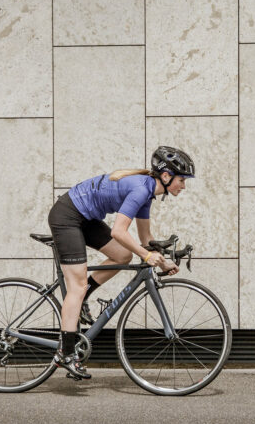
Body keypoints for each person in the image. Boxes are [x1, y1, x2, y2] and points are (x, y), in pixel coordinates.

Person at [47, 146, 195, 379]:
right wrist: (147, 256)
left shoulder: (148, 193)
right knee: (76, 285)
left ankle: (84, 297)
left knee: (122, 256)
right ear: (166, 177)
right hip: (68, 216)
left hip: (85, 218)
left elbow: (145, 240)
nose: (184, 186)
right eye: (182, 180)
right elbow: (119, 232)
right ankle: (65, 354)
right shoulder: (140, 189)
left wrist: (162, 262)